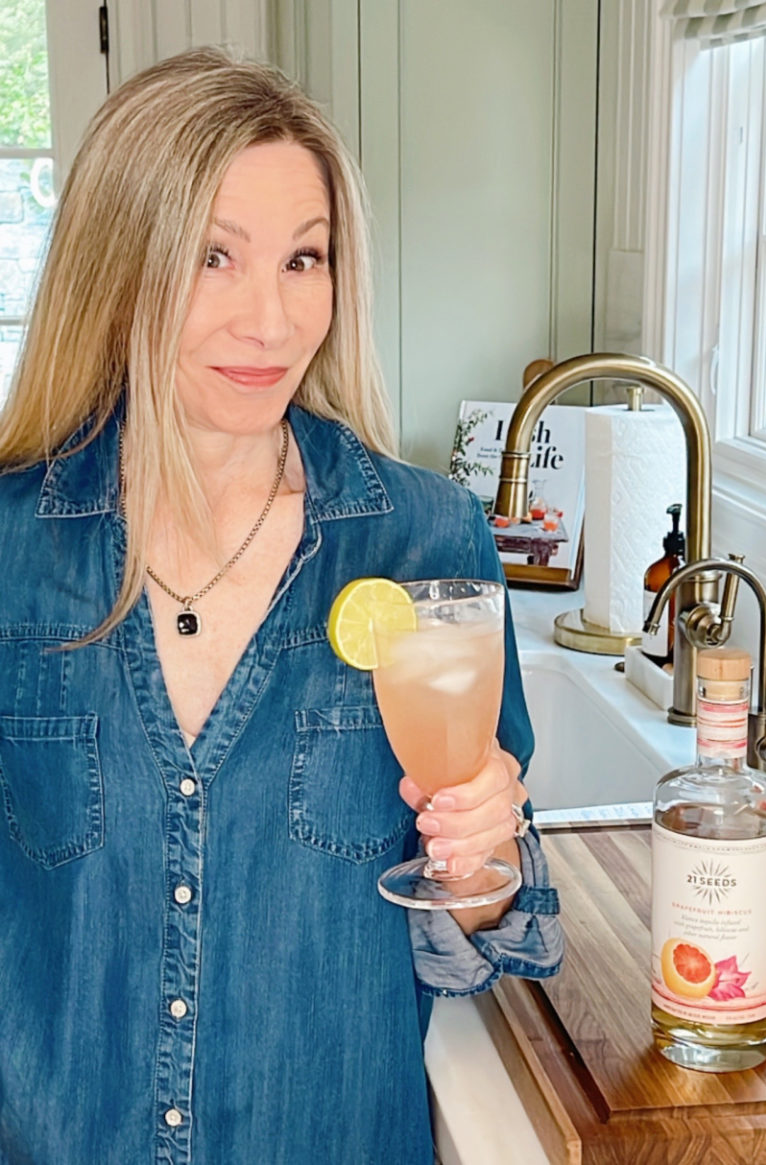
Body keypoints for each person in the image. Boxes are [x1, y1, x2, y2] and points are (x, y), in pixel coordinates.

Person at [0, 47, 562, 1165]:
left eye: (305, 259)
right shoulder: (14, 547)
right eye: (215, 257)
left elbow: (499, 922)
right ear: (121, 267)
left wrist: (482, 863)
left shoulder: (425, 542)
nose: (270, 320)